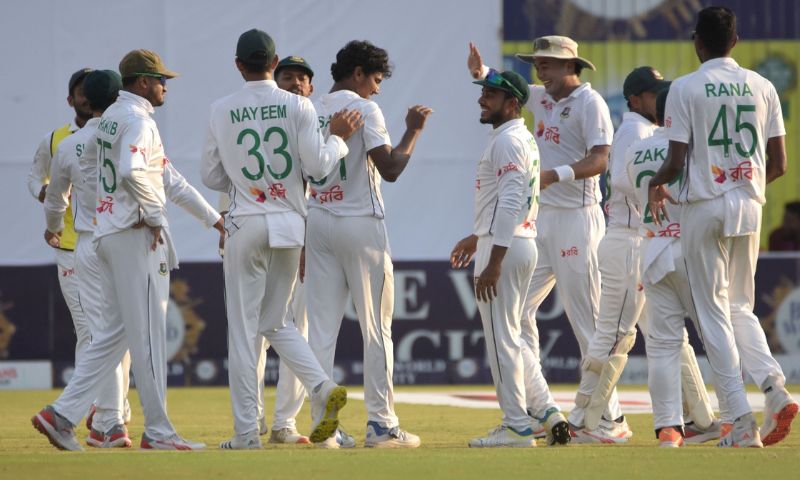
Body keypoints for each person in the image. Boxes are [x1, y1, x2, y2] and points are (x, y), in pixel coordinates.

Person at [32, 49, 223, 451]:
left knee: (113, 334)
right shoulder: (137, 120)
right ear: (140, 83)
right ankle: (158, 432)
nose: (165, 86)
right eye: (160, 80)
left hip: (102, 234)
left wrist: (212, 218)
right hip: (134, 234)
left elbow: (163, 176)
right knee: (150, 335)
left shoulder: (109, 122)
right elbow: (133, 172)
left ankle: (61, 414)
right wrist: (154, 216)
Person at [201, 29, 363, 450]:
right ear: (274, 64)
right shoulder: (298, 105)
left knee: (244, 330)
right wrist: (339, 141)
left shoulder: (221, 109)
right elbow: (319, 167)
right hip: (291, 225)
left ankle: (244, 435)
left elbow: (210, 176)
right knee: (277, 322)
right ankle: (322, 387)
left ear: (239, 64)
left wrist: (242, 182)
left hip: (246, 221)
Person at [649, 6, 796, 447]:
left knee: (713, 314)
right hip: (749, 205)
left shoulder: (686, 88)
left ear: (698, 42)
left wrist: (656, 185)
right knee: (740, 308)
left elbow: (675, 161)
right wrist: (744, 186)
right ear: (736, 41)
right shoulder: (763, 85)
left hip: (705, 207)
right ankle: (775, 388)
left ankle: (740, 421)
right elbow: (781, 164)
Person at [468, 37, 627, 441]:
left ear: (570, 64)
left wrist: (554, 175)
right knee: (517, 316)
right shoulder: (538, 95)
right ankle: (538, 409)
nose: (540, 72)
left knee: (586, 320)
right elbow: (507, 89)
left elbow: (600, 160)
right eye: (537, 64)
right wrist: (480, 72)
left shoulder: (591, 104)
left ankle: (611, 419)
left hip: (578, 218)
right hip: (537, 222)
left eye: (548, 65)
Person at [576, 67, 717, 442]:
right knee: (616, 333)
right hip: (629, 238)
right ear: (636, 98)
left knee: (667, 335)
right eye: (653, 93)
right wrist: (656, 180)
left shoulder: (647, 132)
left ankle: (700, 420)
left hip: (644, 240)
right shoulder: (634, 131)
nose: (660, 99)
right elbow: (620, 179)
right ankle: (585, 420)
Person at [305, 40, 431, 448]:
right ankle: (381, 424)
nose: (377, 90)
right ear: (358, 73)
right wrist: (412, 130)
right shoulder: (365, 108)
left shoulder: (309, 107)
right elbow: (390, 168)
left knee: (321, 331)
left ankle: (324, 426)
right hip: (360, 223)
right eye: (375, 80)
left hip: (317, 220)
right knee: (377, 328)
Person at [451, 69, 568, 447]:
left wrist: (494, 258)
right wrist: (478, 236)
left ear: (513, 103)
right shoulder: (518, 138)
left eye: (492, 94)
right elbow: (507, 200)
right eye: (484, 92)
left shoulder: (508, 141)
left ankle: (517, 425)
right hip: (514, 240)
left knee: (501, 339)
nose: (482, 99)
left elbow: (513, 201)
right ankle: (546, 410)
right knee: (513, 337)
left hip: (508, 245)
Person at [42, 70, 134, 448]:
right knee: (107, 334)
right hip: (119, 240)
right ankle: (100, 419)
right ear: (117, 99)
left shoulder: (69, 144)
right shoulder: (130, 130)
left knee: (110, 334)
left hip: (84, 242)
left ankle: (108, 414)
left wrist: (51, 227)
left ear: (87, 101)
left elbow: (53, 200)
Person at [253, 55, 317, 445]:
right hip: (260, 236)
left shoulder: (312, 123)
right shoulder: (254, 123)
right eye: (288, 77)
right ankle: (252, 419)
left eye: (302, 79)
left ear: (311, 88)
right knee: (256, 332)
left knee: (298, 329)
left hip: (300, 241)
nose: (296, 83)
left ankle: (284, 423)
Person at [29, 68, 93, 368]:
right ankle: (101, 404)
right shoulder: (55, 139)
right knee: (87, 329)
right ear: (70, 99)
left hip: (105, 243)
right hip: (68, 244)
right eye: (82, 92)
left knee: (111, 331)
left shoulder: (115, 133)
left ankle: (115, 404)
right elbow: (35, 179)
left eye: (92, 91)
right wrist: (47, 194)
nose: (87, 97)